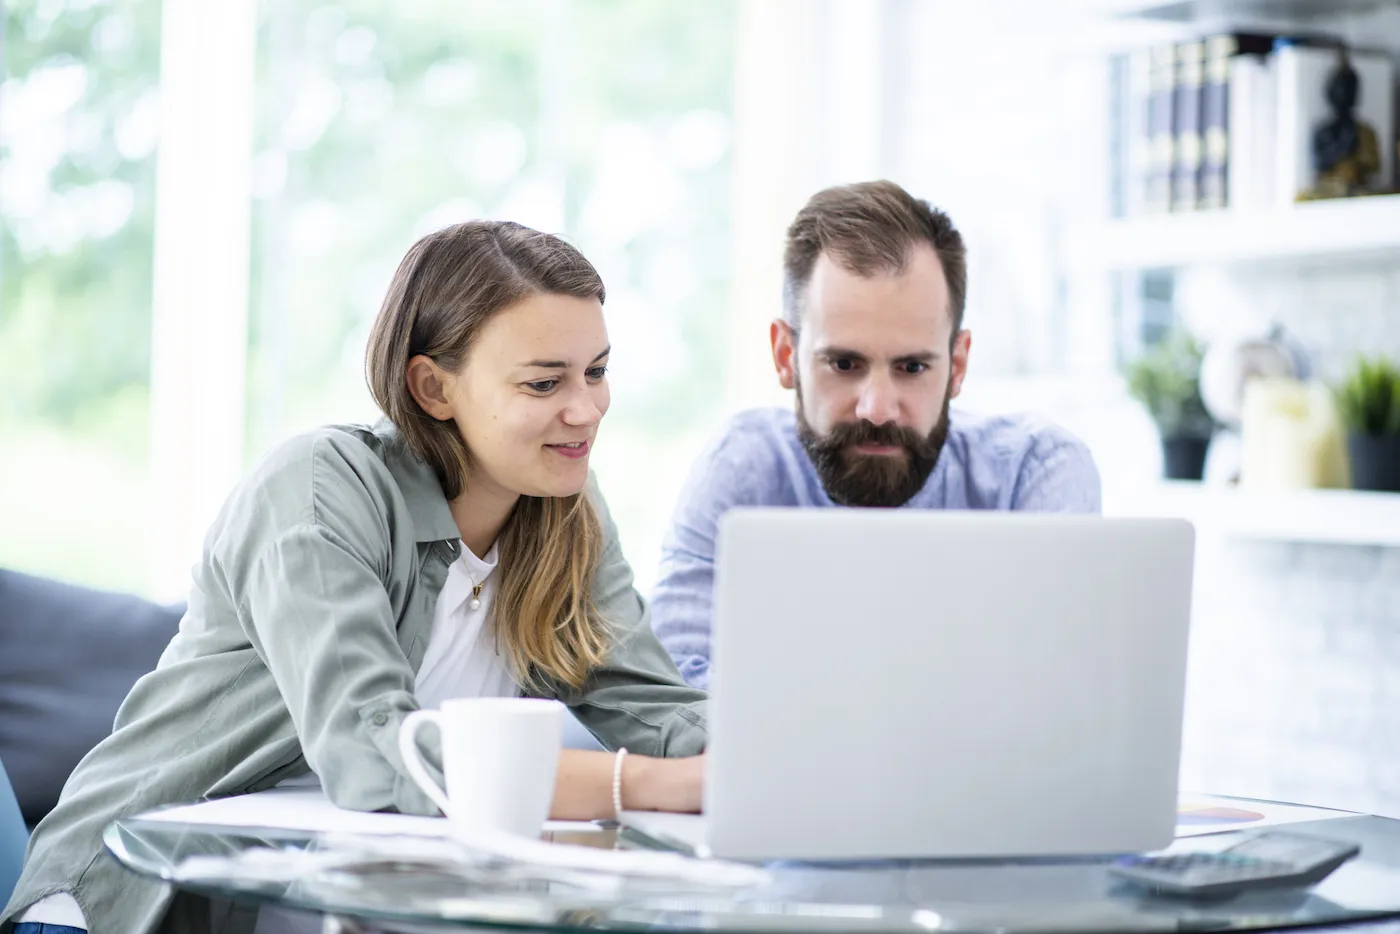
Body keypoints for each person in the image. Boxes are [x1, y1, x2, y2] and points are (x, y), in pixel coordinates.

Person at [3, 221, 707, 934]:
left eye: (597, 371)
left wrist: (765, 754)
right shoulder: (317, 488)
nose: (585, 409)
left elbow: (656, 709)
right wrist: (643, 784)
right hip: (130, 904)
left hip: (341, 901)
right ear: (433, 387)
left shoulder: (565, 515)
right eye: (544, 382)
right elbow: (370, 756)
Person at [651, 180, 1101, 690]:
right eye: (844, 363)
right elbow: (669, 694)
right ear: (785, 357)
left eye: (912, 367)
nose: (878, 409)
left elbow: (1061, 693)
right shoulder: (742, 467)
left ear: (957, 365)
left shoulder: (1036, 471)